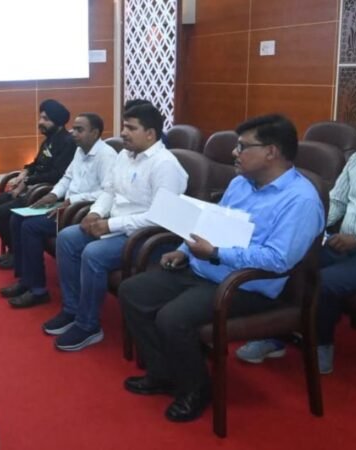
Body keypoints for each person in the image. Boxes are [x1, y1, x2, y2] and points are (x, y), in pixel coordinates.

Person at [117, 114, 325, 423]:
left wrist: (216, 253)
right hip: (208, 269)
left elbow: (278, 260)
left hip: (249, 287)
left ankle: (196, 390)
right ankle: (165, 373)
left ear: (271, 152)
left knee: (173, 318)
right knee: (132, 291)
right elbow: (210, 223)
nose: (234, 152)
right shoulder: (241, 183)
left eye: (242, 146)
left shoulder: (301, 200)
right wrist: (183, 250)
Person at [236, 103, 356, 374]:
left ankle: (321, 344)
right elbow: (337, 202)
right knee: (291, 261)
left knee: (324, 282)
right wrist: (315, 230)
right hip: (341, 242)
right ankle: (274, 334)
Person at [43, 103, 188, 351]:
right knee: (67, 238)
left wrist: (109, 225)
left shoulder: (166, 165)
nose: (123, 133)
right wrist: (95, 212)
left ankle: (88, 326)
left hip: (146, 237)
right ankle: (72, 310)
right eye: (124, 126)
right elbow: (109, 191)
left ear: (150, 134)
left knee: (93, 254)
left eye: (131, 128)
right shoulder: (124, 155)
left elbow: (160, 218)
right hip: (116, 226)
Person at [0, 113, 117, 308]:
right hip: (65, 205)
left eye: (79, 130)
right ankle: (26, 281)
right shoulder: (80, 150)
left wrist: (71, 201)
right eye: (74, 128)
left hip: (81, 212)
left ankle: (38, 290)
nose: (73, 133)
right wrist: (53, 195)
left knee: (30, 227)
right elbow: (66, 178)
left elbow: (107, 192)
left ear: (95, 133)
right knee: (17, 218)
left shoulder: (107, 156)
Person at [0, 99, 77, 270]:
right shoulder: (49, 140)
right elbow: (36, 164)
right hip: (31, 188)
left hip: (43, 193)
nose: (40, 122)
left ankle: (18, 254)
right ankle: (14, 249)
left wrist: (26, 182)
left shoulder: (67, 143)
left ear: (57, 121)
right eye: (40, 117)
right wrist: (25, 172)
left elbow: (57, 175)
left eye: (45, 119)